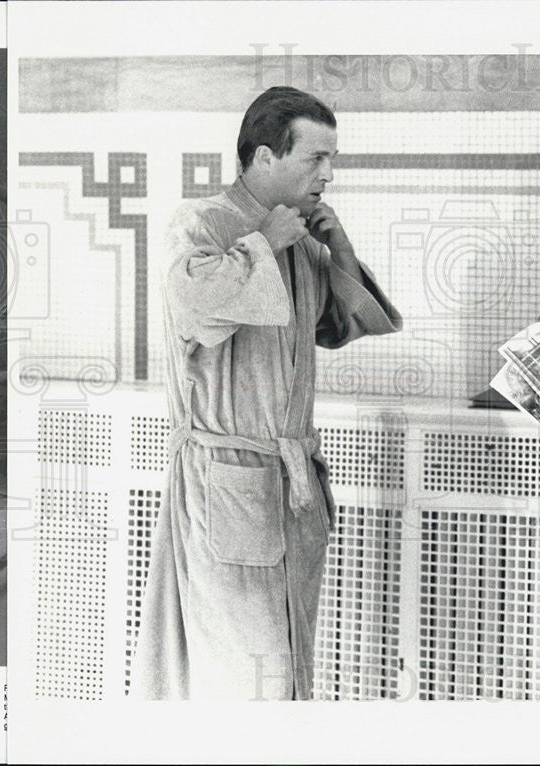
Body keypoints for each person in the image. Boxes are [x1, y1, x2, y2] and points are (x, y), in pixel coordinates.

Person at [132, 87, 402, 700]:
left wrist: (336, 250)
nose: (328, 175)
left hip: (289, 487)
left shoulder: (303, 239)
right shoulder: (202, 223)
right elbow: (195, 309)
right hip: (224, 483)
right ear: (263, 157)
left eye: (332, 160)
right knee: (244, 680)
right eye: (316, 159)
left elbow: (340, 326)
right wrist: (265, 242)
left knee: (287, 667)